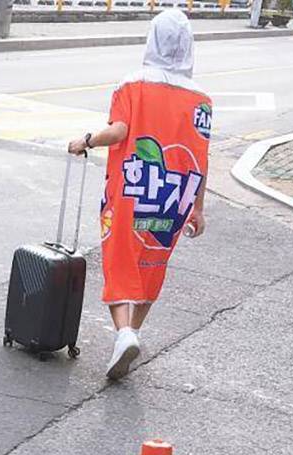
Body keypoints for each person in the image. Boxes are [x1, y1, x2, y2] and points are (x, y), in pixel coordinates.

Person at [69, 9, 209, 381]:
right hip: (175, 194)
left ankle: (124, 333)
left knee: (120, 259)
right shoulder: (201, 100)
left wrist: (85, 141)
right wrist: (198, 207)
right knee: (151, 262)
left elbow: (118, 132)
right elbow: (202, 157)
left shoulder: (132, 86)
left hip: (133, 188)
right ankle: (134, 332)